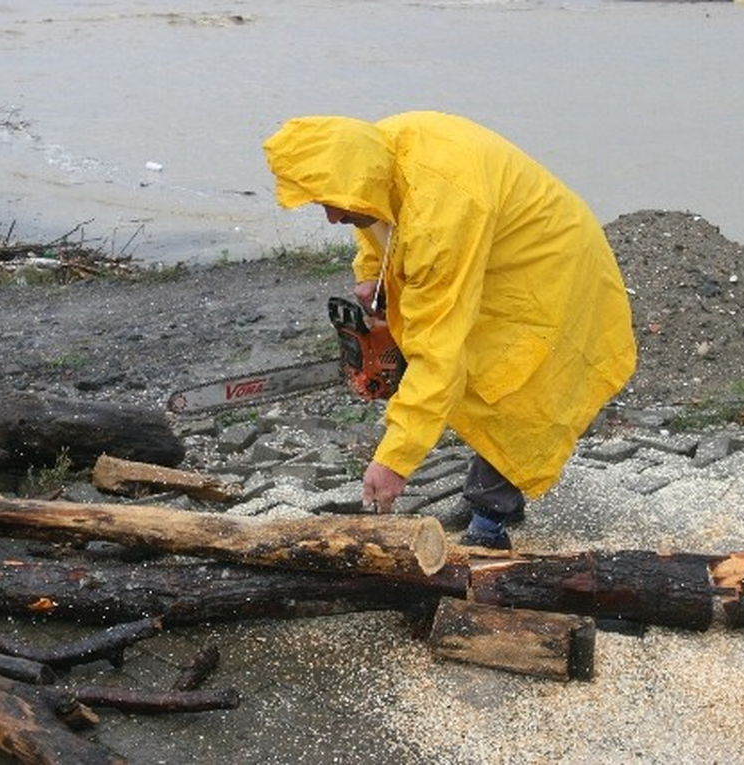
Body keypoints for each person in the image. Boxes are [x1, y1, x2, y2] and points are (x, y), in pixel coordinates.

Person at [262, 111, 636, 549]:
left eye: (330, 203)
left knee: (510, 385)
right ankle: (498, 498)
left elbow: (436, 355)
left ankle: (490, 524)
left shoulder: (442, 214)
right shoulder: (378, 152)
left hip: (553, 272)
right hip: (496, 253)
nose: (329, 217)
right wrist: (372, 274)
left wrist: (394, 461)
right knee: (478, 371)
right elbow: (377, 214)